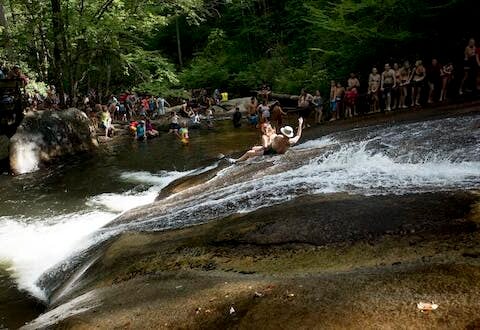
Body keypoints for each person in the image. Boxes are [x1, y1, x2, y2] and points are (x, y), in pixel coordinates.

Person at [232, 117, 304, 163]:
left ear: (283, 132)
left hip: (271, 152)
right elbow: (298, 135)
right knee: (255, 148)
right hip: (279, 152)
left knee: (249, 152)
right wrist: (300, 124)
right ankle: (249, 158)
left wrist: (265, 137)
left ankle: (236, 161)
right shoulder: (291, 141)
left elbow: (268, 145)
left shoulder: (278, 137)